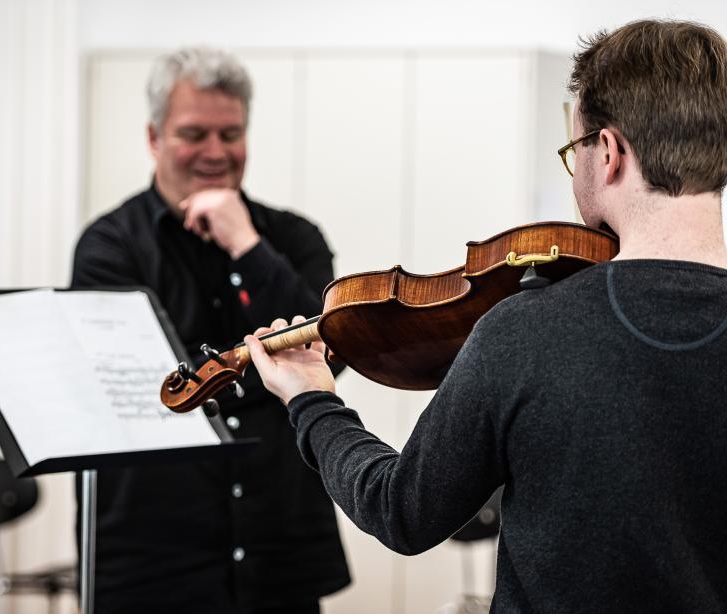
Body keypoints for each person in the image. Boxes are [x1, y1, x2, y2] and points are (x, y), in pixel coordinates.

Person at [245, 19, 727, 612]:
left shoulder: (527, 330)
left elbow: (401, 511)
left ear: (609, 152)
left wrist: (311, 400)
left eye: (574, 149)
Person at [71, 47, 350, 614]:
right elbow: (135, 382)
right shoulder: (109, 246)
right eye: (194, 133)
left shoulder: (293, 240)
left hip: (279, 545)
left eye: (231, 133)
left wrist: (246, 245)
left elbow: (330, 354)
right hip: (154, 552)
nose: (215, 152)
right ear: (154, 138)